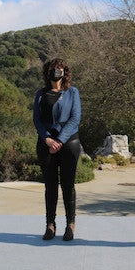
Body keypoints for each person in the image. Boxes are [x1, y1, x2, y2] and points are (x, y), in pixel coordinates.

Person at [33, 58, 82, 241]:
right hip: (46, 143)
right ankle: (50, 225)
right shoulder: (40, 93)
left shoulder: (72, 92)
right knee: (50, 186)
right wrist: (47, 139)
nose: (56, 71)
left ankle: (70, 224)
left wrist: (59, 140)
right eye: (53, 68)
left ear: (65, 72)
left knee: (68, 185)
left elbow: (75, 118)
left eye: (60, 69)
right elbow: (37, 119)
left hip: (69, 143)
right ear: (48, 72)